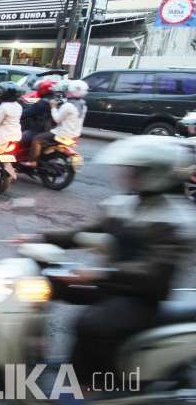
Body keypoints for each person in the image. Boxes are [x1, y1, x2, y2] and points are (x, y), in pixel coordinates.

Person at [14, 135, 196, 384]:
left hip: (141, 296)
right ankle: (34, 349)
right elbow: (85, 233)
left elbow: (153, 272)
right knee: (46, 285)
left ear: (154, 174)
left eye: (133, 171)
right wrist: (39, 237)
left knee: (91, 324)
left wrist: (100, 274)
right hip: (111, 281)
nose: (124, 175)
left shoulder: (176, 221)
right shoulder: (127, 204)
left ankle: (90, 383)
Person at [22, 79, 88, 166]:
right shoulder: (83, 105)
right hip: (75, 133)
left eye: (68, 90)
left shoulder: (67, 105)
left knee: (37, 139)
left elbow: (57, 119)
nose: (66, 92)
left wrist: (53, 107)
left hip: (63, 133)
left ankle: (32, 161)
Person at [20, 78, 58, 149]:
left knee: (20, 137)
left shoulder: (42, 103)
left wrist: (16, 115)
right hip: (50, 129)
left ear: (43, 90)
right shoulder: (55, 100)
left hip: (39, 130)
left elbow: (25, 114)